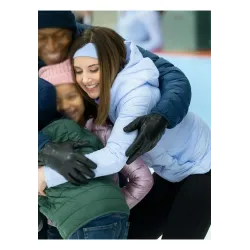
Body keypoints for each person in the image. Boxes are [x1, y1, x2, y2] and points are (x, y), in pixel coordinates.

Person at [39, 26, 214, 240]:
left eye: (94, 69)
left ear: (111, 63)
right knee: (134, 234)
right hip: (170, 171)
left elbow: (114, 157)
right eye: (79, 71)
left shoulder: (136, 95)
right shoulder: (103, 92)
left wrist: (44, 176)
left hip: (205, 169)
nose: (85, 79)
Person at [37, 11, 192, 186]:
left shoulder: (90, 41)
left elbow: (170, 75)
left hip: (94, 144)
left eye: (60, 37)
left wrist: (163, 115)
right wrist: (43, 148)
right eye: (41, 38)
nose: (52, 46)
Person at [37, 61, 153, 239]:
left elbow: (142, 178)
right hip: (59, 222)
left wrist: (102, 206)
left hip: (88, 220)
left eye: (71, 96)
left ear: (85, 96)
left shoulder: (106, 133)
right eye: (57, 101)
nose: (65, 106)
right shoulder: (44, 137)